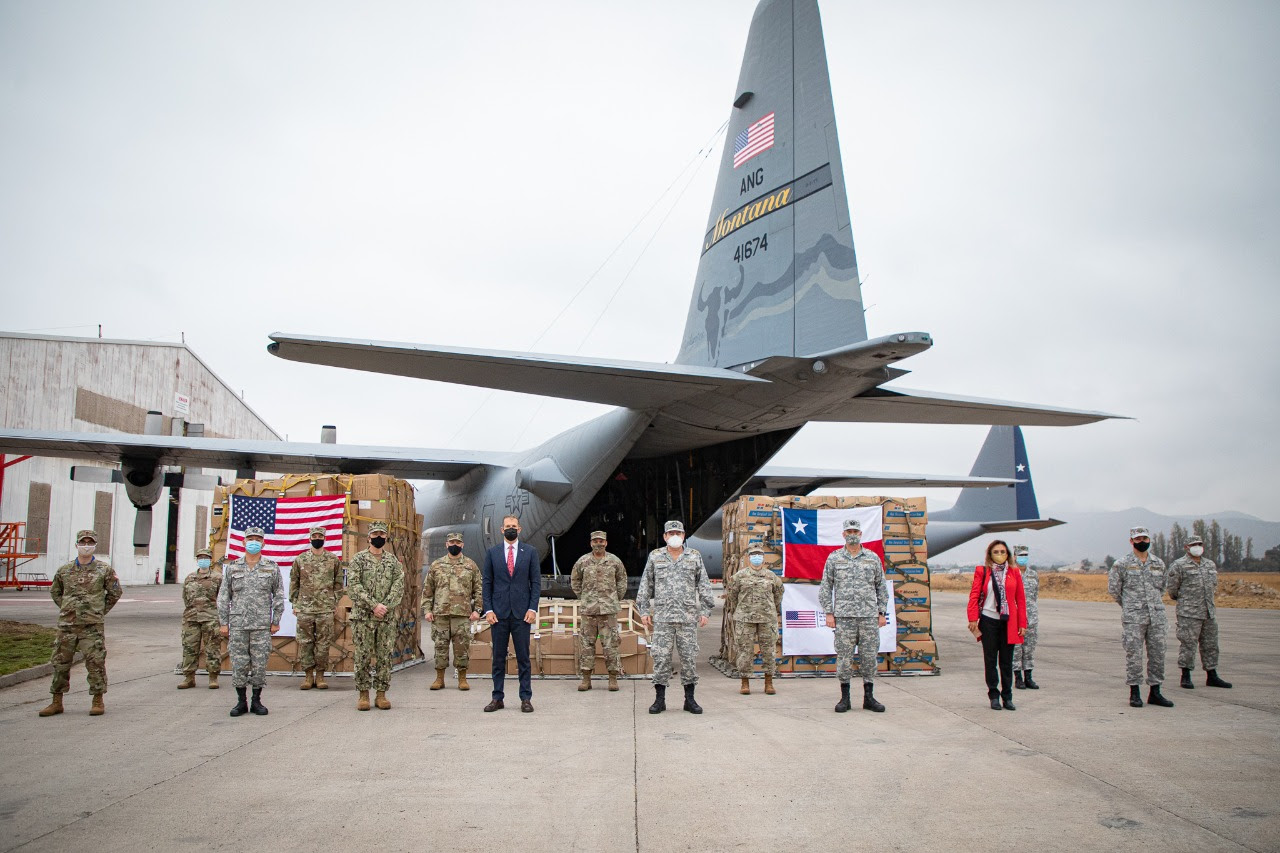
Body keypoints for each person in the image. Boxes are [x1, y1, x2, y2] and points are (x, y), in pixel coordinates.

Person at [39, 529, 122, 717]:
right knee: (60, 662)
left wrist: (98, 610)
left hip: (91, 626)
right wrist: (67, 609)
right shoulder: (64, 570)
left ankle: (97, 700)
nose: (86, 546)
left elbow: (115, 592)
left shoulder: (104, 570)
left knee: (95, 662)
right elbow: (56, 592)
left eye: (89, 542)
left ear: (95, 545)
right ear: (76, 545)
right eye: (83, 542)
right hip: (67, 626)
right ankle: (56, 701)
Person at [637, 520, 714, 715]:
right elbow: (646, 585)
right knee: (661, 659)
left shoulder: (694, 556)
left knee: (689, 659)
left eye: (678, 533)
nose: (674, 536)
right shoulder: (655, 556)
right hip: (663, 618)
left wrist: (705, 611)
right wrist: (644, 610)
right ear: (664, 536)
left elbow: (704, 584)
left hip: (687, 618)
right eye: (671, 533)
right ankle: (659, 700)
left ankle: (690, 700)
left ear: (683, 536)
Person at [818, 519, 888, 713]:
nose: (852, 535)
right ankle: (845, 699)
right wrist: (829, 613)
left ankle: (869, 698)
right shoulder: (834, 558)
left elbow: (881, 587)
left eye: (855, 531)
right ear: (843, 535)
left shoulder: (872, 558)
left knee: (869, 657)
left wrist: (881, 612)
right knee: (844, 658)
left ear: (860, 534)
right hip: (844, 618)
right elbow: (826, 587)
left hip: (868, 617)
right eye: (849, 531)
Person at [218, 526, 284, 717]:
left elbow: (279, 595)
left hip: (261, 625)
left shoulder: (271, 567)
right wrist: (223, 622)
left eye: (257, 539)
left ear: (263, 543)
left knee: (259, 664)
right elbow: (224, 596)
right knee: (239, 663)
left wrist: (276, 620)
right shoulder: (233, 567)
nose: (254, 542)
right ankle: (241, 702)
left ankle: (256, 700)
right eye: (250, 539)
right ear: (243, 542)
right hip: (238, 624)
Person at [1107, 526, 1174, 708]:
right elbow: (1114, 590)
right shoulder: (1122, 564)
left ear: (1149, 540)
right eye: (1138, 539)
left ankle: (1155, 692)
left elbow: (1162, 587)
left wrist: (1152, 603)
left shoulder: (1158, 563)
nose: (1142, 542)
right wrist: (1129, 605)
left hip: (1157, 616)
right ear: (1131, 541)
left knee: (1158, 654)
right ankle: (1135, 692)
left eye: (1144, 538)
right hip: (1134, 617)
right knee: (1134, 655)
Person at [481, 515, 540, 713]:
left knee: (523, 658)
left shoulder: (530, 552)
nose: (511, 529)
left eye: (514, 526)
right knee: (498, 659)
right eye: (508, 526)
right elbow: (487, 583)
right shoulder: (492, 553)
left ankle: (526, 698)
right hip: (498, 614)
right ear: (502, 529)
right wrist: (488, 610)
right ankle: (497, 698)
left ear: (520, 529)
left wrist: (532, 608)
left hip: (522, 614)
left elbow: (535, 583)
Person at [348, 521, 405, 711]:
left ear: (386, 537)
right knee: (362, 656)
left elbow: (398, 586)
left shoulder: (392, 561)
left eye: (381, 534)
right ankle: (363, 694)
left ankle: (381, 694)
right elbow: (354, 586)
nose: (378, 537)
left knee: (384, 656)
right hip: (363, 617)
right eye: (375, 534)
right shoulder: (358, 560)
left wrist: (385, 606)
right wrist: (373, 605)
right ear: (368, 537)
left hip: (385, 618)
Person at [966, 539, 1028, 711]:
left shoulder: (1014, 572)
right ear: (990, 554)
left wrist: (1022, 623)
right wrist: (972, 618)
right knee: (990, 660)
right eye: (996, 552)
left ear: (1008, 554)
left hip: (1009, 621)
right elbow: (974, 595)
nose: (999, 555)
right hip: (988, 621)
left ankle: (1007, 696)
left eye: (1002, 552)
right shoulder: (983, 571)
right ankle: (994, 695)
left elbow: (1020, 600)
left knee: (1006, 661)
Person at [1167, 534, 1231, 690]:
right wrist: (1186, 602)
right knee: (1188, 645)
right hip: (1189, 613)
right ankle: (1186, 676)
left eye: (1199, 544)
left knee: (1211, 644)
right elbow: (1172, 590)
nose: (1197, 547)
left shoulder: (1209, 564)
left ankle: (1212, 675)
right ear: (1186, 547)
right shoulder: (1179, 565)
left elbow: (1213, 586)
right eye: (1194, 544)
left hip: (1208, 612)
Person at [570, 530, 629, 692]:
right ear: (591, 543)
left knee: (611, 645)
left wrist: (613, 599)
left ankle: (613, 678)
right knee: (586, 645)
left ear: (606, 543)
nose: (598, 544)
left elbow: (622, 581)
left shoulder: (614, 561)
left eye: (601, 541)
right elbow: (575, 580)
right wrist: (584, 597)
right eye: (595, 541)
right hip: (589, 611)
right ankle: (586, 679)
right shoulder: (583, 561)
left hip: (608, 611)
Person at [423, 531, 482, 691]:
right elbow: (428, 590)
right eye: (452, 543)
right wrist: (427, 610)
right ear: (446, 544)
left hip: (462, 615)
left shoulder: (470, 565)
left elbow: (478, 589)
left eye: (457, 543)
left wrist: (477, 610)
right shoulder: (436, 565)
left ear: (462, 545)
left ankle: (462, 678)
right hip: (440, 615)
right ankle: (439, 678)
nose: (454, 545)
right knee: (440, 648)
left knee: (462, 648)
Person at [724, 543, 783, 696]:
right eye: (753, 555)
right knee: (745, 651)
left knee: (769, 651)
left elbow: (778, 595)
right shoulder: (739, 576)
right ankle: (745, 682)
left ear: (763, 558)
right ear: (749, 557)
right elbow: (733, 596)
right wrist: (743, 608)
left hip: (767, 618)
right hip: (745, 618)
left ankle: (769, 682)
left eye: (759, 555)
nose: (757, 557)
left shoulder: (771, 576)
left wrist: (770, 608)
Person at [289, 525, 343, 690]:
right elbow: (294, 582)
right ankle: (307, 676)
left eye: (320, 537)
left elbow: (338, 583)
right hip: (305, 608)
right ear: (310, 538)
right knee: (305, 643)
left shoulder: (333, 560)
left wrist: (334, 602)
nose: (317, 539)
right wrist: (295, 604)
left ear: (324, 538)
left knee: (323, 643)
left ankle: (320, 676)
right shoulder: (300, 559)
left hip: (325, 608)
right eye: (315, 537)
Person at [178, 547, 222, 690]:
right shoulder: (190, 578)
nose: (203, 560)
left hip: (210, 618)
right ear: (197, 560)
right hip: (191, 618)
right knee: (189, 648)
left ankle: (213, 677)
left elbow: (223, 597)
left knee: (212, 648)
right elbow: (185, 597)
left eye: (206, 558)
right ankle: (189, 677)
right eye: (200, 558)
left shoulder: (217, 578)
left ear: (210, 560)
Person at [1012, 544, 1040, 690]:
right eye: (1021, 555)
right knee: (1016, 649)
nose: (1023, 558)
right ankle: (1018, 678)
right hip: (1016, 617)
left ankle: (1029, 677)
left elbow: (1035, 595)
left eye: (1025, 555)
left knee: (1029, 648)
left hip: (1031, 617)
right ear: (1014, 557)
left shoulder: (1033, 574)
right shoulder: (1010, 573)